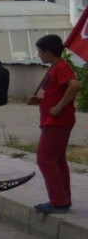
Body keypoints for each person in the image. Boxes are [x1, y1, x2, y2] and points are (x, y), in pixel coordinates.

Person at [27, 33, 79, 214]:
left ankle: (58, 201)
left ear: (48, 53)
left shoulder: (61, 67)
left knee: (45, 159)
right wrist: (41, 101)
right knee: (57, 160)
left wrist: (59, 106)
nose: (39, 55)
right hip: (55, 120)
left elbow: (74, 85)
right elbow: (55, 93)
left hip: (56, 121)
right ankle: (63, 198)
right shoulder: (55, 68)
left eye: (40, 52)